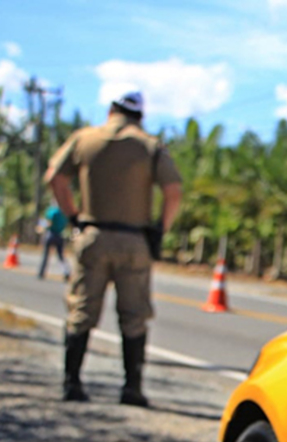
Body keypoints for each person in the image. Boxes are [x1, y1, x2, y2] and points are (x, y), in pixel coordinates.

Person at [44, 91, 183, 406]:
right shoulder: (149, 145)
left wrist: (73, 217)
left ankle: (72, 383)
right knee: (134, 316)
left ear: (111, 110)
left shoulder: (84, 139)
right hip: (134, 240)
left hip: (94, 234)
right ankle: (131, 389)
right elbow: (173, 191)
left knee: (82, 310)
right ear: (139, 116)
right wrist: (160, 229)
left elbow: (55, 178)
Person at [36, 203, 71, 281]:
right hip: (60, 235)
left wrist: (41, 228)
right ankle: (66, 272)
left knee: (46, 255)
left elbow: (48, 222)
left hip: (51, 234)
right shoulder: (64, 213)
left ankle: (41, 272)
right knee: (60, 255)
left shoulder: (52, 211)